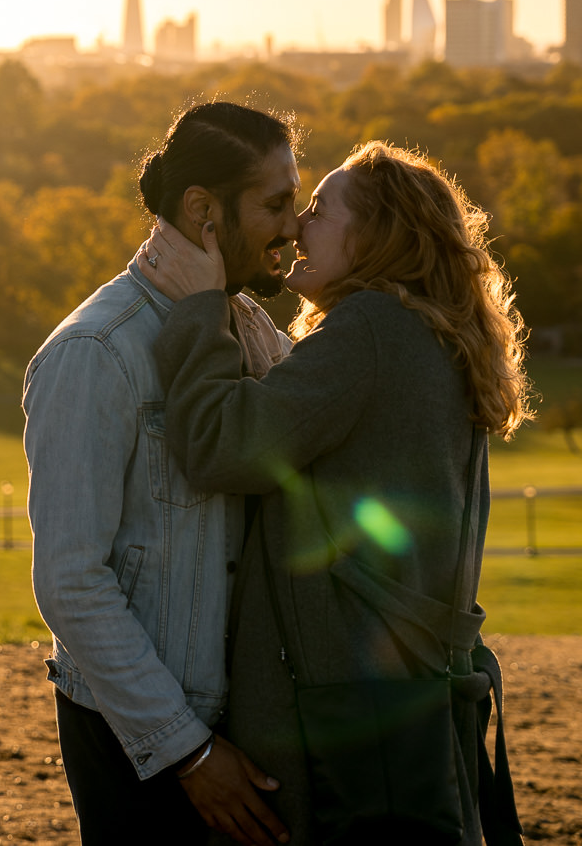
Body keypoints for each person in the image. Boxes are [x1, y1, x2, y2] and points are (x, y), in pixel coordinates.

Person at [138, 140, 529, 845]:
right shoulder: (430, 335)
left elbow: (219, 445)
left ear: (377, 236)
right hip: (404, 703)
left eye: (318, 210)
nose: (295, 228)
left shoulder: (372, 331)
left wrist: (198, 308)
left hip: (341, 717)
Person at [22, 101, 303, 846]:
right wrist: (189, 751)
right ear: (203, 209)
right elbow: (71, 581)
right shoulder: (95, 351)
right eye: (277, 205)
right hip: (140, 745)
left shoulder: (244, 326)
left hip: (243, 733)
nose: (294, 227)